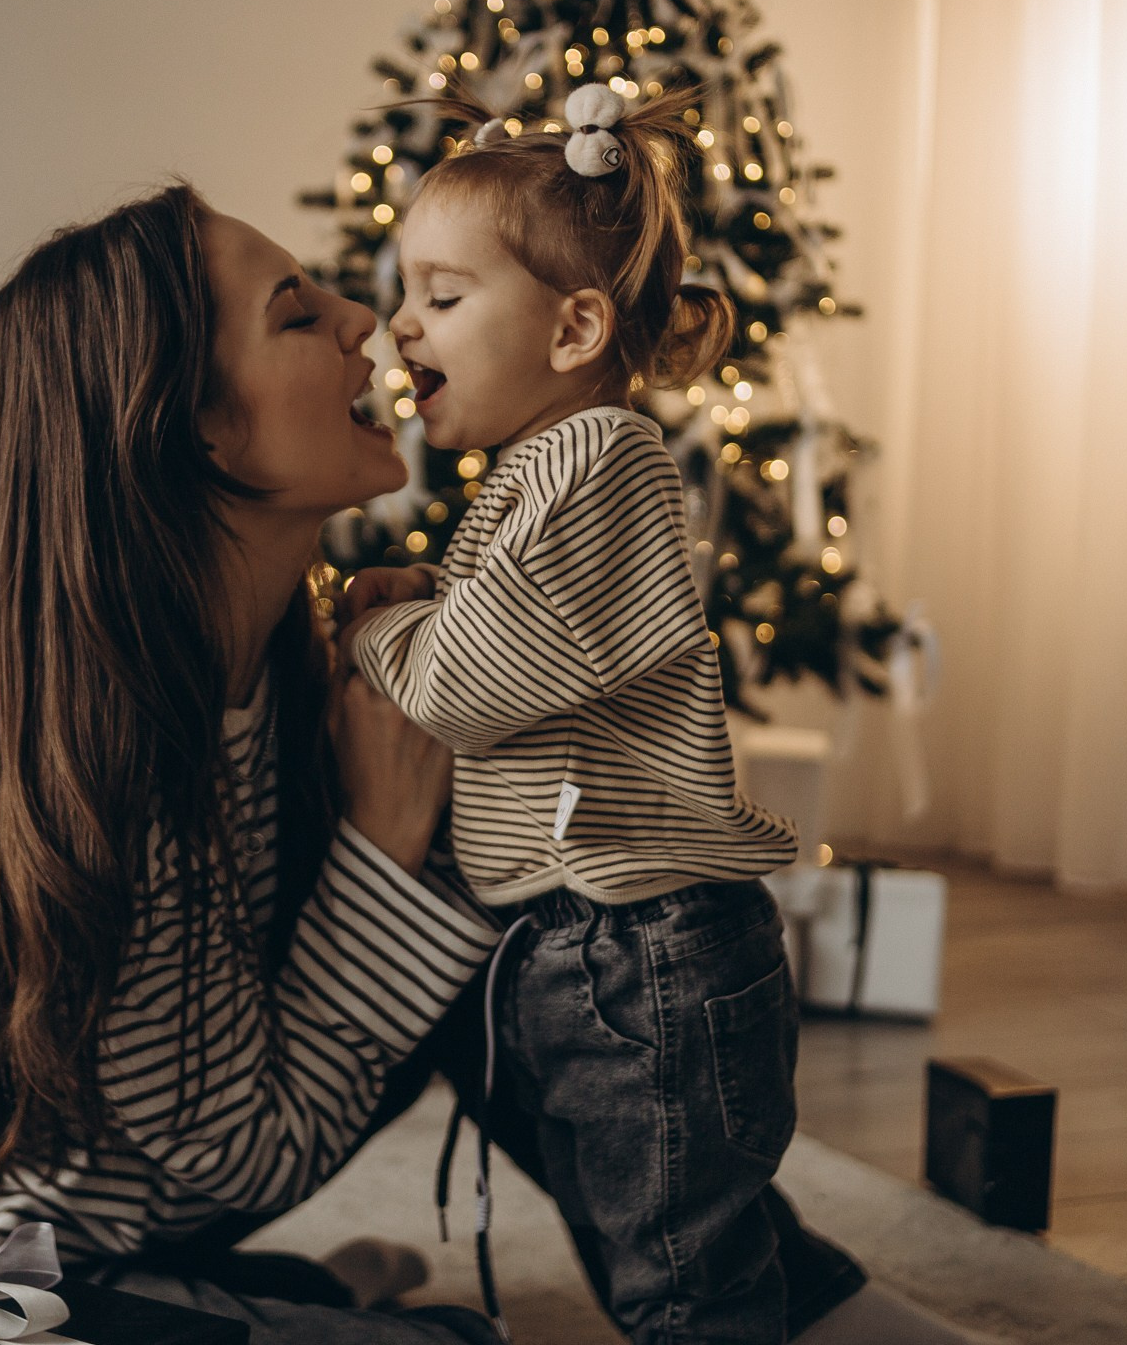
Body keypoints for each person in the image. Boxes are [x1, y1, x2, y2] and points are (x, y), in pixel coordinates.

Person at [0, 183, 991, 1345]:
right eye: (301, 315)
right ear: (198, 427)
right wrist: (377, 848)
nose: (369, 321)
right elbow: (250, 1143)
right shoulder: (109, 768)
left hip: (150, 1213)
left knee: (553, 978)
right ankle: (244, 1299)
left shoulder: (291, 668)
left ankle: (788, 1294)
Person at [340, 82, 802, 1345]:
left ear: (574, 326)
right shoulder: (541, 472)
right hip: (590, 941)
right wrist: (436, 596)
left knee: (684, 1278)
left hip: (642, 943)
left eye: (443, 296)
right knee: (644, 1238)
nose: (399, 328)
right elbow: (528, 647)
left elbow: (465, 688)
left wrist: (375, 627)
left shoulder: (599, 461)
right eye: (404, 293)